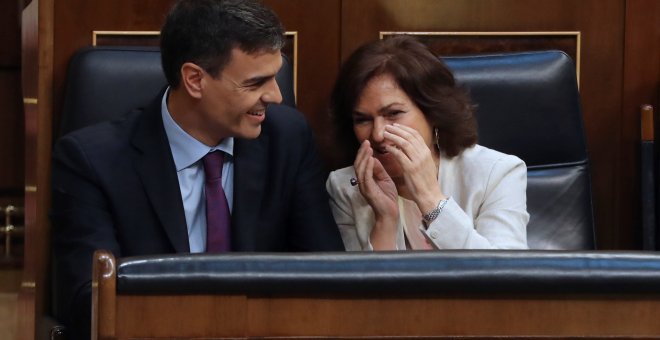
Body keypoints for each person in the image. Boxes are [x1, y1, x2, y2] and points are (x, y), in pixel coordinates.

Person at [51, 0, 344, 338]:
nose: (276, 96)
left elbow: (326, 277)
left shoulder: (288, 139)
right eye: (256, 83)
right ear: (194, 79)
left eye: (275, 77)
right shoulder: (91, 161)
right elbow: (92, 304)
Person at [326, 35, 529, 251]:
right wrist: (384, 221)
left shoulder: (496, 174)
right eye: (363, 119)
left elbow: (503, 275)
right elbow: (356, 283)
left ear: (433, 113)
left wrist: (430, 198)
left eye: (394, 113)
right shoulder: (344, 187)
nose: (377, 134)